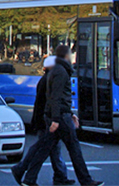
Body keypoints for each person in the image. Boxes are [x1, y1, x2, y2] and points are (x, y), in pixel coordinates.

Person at [21, 46, 103, 186]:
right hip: (60, 117)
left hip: (59, 115)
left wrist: (67, 114)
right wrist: (56, 119)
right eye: (70, 54)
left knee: (45, 148)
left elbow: (55, 97)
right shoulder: (61, 72)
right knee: (74, 149)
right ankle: (86, 180)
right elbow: (56, 97)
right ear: (66, 56)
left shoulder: (57, 70)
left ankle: (28, 178)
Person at [11, 56, 75, 186]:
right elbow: (51, 101)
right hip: (48, 120)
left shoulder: (46, 79)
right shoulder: (50, 80)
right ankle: (25, 171)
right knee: (43, 149)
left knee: (49, 149)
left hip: (46, 119)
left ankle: (57, 175)